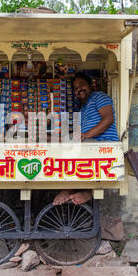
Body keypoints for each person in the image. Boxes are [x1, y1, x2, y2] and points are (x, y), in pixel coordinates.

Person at [53, 72, 119, 205]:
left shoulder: (99, 97)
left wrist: (85, 135)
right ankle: (85, 192)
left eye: (81, 85)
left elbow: (108, 119)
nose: (79, 89)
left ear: (90, 85)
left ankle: (69, 189)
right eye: (75, 88)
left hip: (104, 144)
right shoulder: (83, 108)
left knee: (70, 147)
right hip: (91, 143)